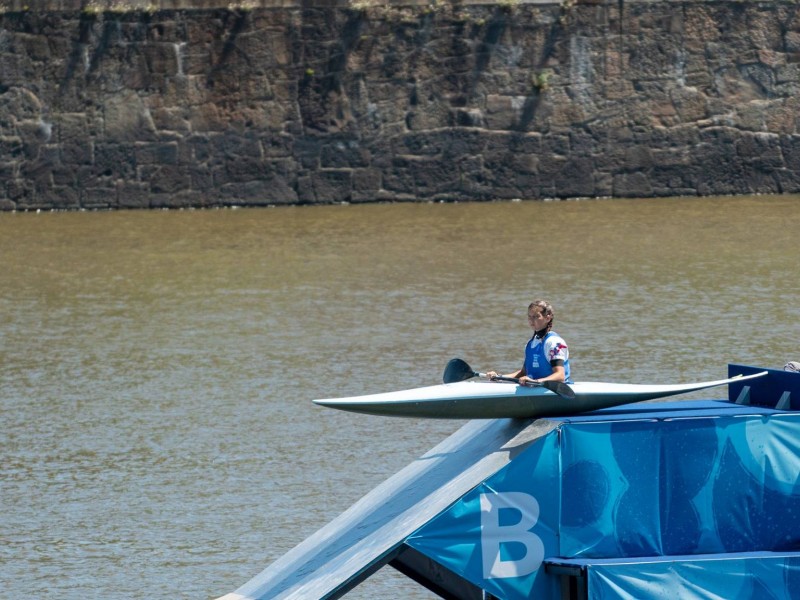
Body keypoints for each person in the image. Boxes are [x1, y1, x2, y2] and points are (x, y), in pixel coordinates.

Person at [487, 299, 571, 386]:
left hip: (557, 391)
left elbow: (560, 376)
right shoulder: (530, 343)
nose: (531, 320)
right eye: (529, 317)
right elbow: (524, 372)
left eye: (536, 317)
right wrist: (499, 377)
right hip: (537, 388)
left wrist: (536, 381)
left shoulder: (554, 342)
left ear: (547, 318)